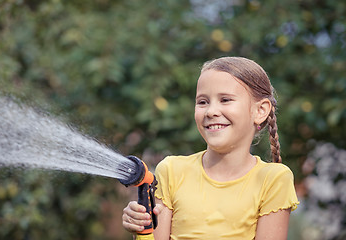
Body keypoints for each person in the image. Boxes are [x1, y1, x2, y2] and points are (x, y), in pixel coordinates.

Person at [122, 57, 299, 240]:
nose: (211, 111)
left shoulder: (273, 179)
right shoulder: (172, 171)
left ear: (260, 110)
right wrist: (142, 230)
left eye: (225, 100)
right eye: (203, 102)